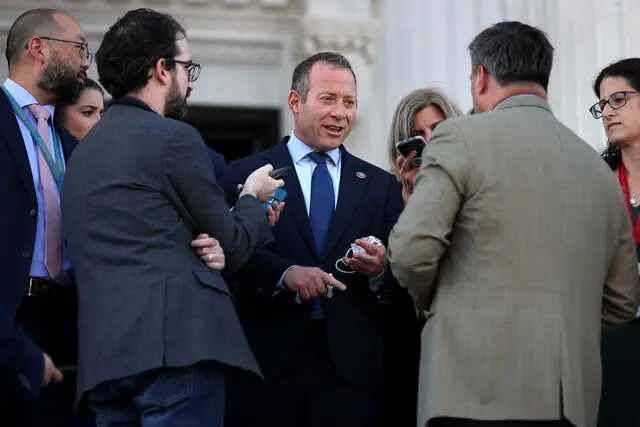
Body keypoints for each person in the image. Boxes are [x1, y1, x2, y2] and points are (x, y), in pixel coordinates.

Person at [388, 21, 640, 427]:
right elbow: (623, 301)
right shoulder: (598, 171)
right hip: (569, 400)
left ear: (482, 77)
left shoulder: (457, 138)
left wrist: (448, 307)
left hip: (470, 389)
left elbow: (410, 252)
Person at [61, 8, 283, 426]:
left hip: (104, 361)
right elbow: (232, 246)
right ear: (162, 69)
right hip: (177, 351)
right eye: (186, 67)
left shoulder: (80, 155)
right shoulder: (175, 138)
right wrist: (253, 198)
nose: (189, 79)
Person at [219, 51, 404, 427]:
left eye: (349, 102)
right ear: (295, 101)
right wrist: (283, 272)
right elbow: (226, 249)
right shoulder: (246, 173)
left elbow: (401, 271)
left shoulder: (381, 187)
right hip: (266, 369)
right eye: (328, 99)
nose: (341, 112)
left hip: (350, 375)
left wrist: (380, 268)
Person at [0, 8, 91, 426]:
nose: (86, 62)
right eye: (79, 48)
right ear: (38, 48)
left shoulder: (67, 142)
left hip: (69, 327)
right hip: (11, 321)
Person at [589, 58, 640, 427]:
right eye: (603, 104)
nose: (607, 112)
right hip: (613, 339)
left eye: (619, 99)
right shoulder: (595, 182)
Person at [388, 87, 463, 204]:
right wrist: (410, 194)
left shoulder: (476, 182)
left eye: (438, 128)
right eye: (418, 135)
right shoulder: (388, 194)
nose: (429, 140)